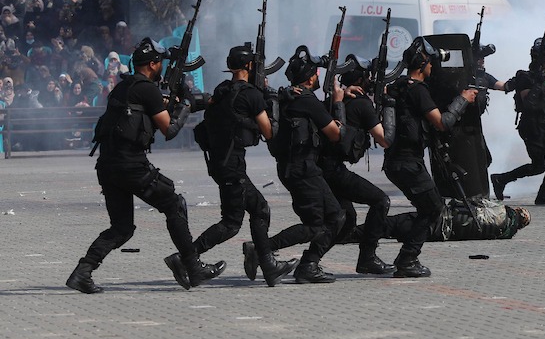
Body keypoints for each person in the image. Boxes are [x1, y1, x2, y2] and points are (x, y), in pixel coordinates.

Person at [66, 37, 225, 294]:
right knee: (174, 204)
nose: (161, 65)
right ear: (153, 64)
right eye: (159, 62)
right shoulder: (147, 90)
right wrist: (185, 106)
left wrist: (191, 102)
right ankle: (192, 267)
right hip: (131, 166)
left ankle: (82, 272)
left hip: (108, 165)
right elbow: (169, 129)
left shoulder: (123, 87)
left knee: (122, 228)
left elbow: (152, 110)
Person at [193, 44, 296, 287]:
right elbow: (269, 131)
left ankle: (268, 264)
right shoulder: (251, 95)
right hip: (232, 166)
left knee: (259, 208)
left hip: (221, 162)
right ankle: (188, 256)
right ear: (250, 66)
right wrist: (269, 99)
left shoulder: (222, 90)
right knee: (231, 223)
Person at [381, 38, 477, 278]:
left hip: (395, 162)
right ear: (422, 65)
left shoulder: (398, 86)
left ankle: (389, 251)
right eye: (431, 64)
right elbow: (442, 123)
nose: (433, 68)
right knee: (434, 208)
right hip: (408, 163)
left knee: (427, 207)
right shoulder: (419, 90)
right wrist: (463, 99)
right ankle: (407, 259)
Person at [261, 46, 346, 284]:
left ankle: (309, 264)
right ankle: (263, 249)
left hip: (297, 168)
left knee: (336, 216)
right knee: (315, 225)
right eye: (317, 73)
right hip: (302, 169)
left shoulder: (287, 97)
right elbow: (335, 135)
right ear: (310, 78)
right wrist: (338, 104)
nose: (319, 77)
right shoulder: (306, 100)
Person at [319, 57, 396, 276]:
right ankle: (367, 258)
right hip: (334, 171)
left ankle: (310, 261)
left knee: (346, 219)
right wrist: (389, 108)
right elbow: (384, 140)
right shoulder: (362, 104)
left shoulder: (335, 99)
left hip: (323, 168)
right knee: (381, 201)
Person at [491, 38, 545, 204]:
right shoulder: (525, 77)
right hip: (530, 125)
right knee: (538, 166)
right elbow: (529, 103)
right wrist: (539, 84)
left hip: (543, 124)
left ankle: (543, 194)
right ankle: (501, 179)